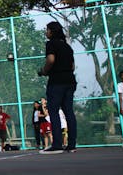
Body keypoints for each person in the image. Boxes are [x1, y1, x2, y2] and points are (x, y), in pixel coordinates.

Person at [38, 21, 77, 154]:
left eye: (47, 30)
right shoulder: (67, 47)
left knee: (53, 111)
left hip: (57, 82)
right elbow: (72, 66)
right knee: (69, 112)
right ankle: (71, 145)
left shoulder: (51, 44)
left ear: (52, 31)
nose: (46, 32)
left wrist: (44, 71)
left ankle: (57, 145)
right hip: (70, 81)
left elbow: (50, 60)